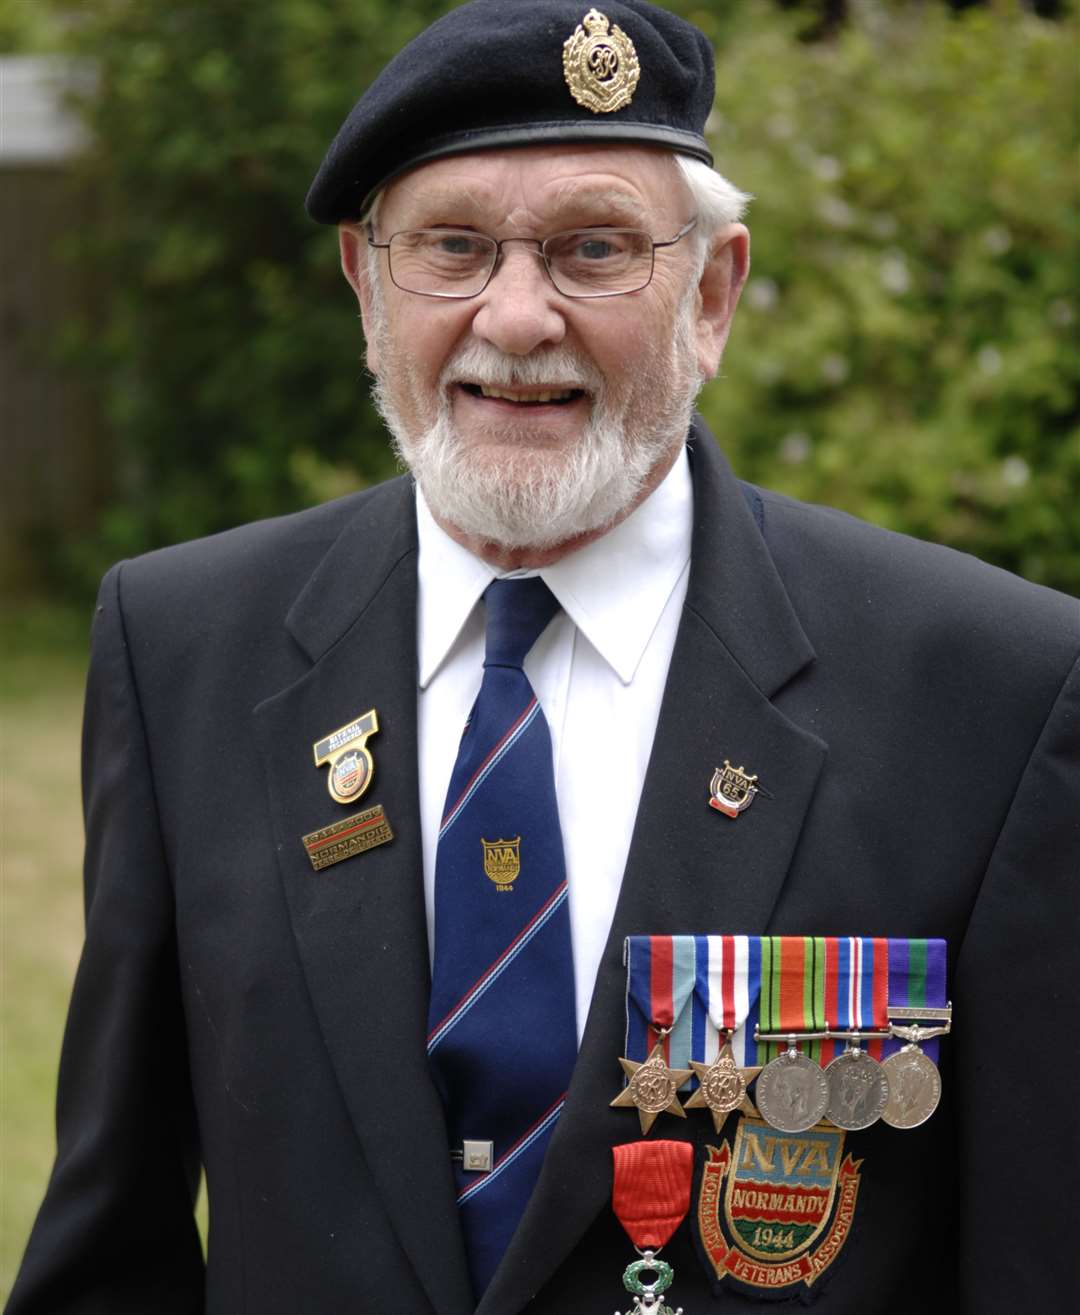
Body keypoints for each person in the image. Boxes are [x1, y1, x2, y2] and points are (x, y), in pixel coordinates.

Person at [8, 2, 1078, 1313]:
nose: (517, 318)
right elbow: (109, 1252)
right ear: (365, 280)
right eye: (451, 247)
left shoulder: (993, 689)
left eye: (594, 249)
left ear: (714, 291)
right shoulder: (180, 652)